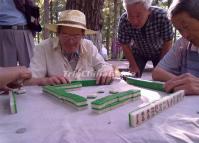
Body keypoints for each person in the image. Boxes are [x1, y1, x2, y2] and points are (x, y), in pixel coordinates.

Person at [26, 10, 114, 86]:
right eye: (65, 35)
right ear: (58, 33)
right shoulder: (43, 48)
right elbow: (28, 81)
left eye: (76, 36)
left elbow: (103, 65)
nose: (71, 42)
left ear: (83, 35)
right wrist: (45, 81)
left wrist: (106, 70)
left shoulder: (89, 46)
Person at [152, 0, 199, 95]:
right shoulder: (183, 44)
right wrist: (182, 82)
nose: (185, 35)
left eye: (186, 26)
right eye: (180, 30)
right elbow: (157, 72)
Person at [118, 0, 173, 77]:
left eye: (138, 15)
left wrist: (161, 65)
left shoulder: (163, 16)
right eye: (130, 15)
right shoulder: (124, 20)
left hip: (160, 52)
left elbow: (168, 42)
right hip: (138, 52)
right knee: (133, 76)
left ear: (149, 11)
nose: (134, 21)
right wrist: (133, 65)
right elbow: (124, 44)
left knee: (161, 76)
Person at [0, 0, 35, 67]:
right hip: (4, 32)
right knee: (7, 71)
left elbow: (32, 9)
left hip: (24, 30)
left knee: (32, 69)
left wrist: (33, 27)